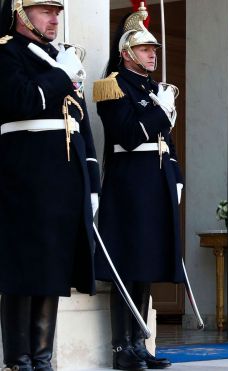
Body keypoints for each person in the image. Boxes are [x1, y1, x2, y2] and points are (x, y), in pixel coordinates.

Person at [0, 1, 100, 370]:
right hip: (25, 174)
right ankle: (18, 358)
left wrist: (92, 183)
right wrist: (61, 75)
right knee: (23, 270)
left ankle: (41, 357)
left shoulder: (62, 58)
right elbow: (22, 100)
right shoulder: (8, 53)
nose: (55, 18)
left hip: (65, 174)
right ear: (22, 15)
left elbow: (81, 125)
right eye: (45, 11)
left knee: (54, 267)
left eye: (57, 12)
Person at [92, 4, 181, 370]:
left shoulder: (154, 88)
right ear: (127, 52)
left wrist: (175, 175)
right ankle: (121, 349)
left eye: (155, 50)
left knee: (145, 266)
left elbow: (166, 142)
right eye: (146, 49)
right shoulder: (113, 86)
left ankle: (139, 343)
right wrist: (161, 110)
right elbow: (128, 136)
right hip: (129, 187)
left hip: (155, 183)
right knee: (127, 267)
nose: (153, 54)